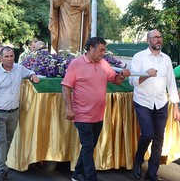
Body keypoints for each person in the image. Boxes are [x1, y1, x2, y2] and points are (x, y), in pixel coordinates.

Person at [61, 37, 130, 181]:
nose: (104, 53)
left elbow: (116, 81)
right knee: (87, 146)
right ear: (91, 48)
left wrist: (122, 75)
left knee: (89, 147)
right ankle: (91, 178)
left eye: (104, 50)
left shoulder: (103, 63)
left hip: (98, 115)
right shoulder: (76, 64)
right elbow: (66, 86)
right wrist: (69, 108)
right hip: (82, 115)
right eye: (101, 50)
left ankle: (77, 175)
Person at [129, 29, 180, 181]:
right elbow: (132, 81)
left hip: (161, 103)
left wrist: (176, 106)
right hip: (143, 102)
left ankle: (152, 173)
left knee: (159, 138)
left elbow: (171, 84)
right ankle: (138, 161)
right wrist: (145, 74)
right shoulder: (139, 57)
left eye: (160, 37)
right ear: (148, 40)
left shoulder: (166, 59)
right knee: (147, 134)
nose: (158, 39)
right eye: (155, 37)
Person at [0, 46, 40, 180]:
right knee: (1, 140)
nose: (9, 59)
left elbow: (28, 72)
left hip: (14, 113)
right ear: (1, 58)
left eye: (11, 56)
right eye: (6, 57)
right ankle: (2, 167)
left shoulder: (19, 68)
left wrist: (33, 75)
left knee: (8, 140)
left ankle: (2, 161)